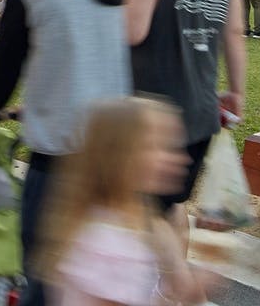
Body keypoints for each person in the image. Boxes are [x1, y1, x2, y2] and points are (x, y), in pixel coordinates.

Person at [0, 0, 130, 306]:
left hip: (60, 148)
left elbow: (5, 62)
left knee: (44, 260)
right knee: (95, 260)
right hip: (111, 145)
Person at [124, 0, 246, 226]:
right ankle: (172, 276)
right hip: (200, 116)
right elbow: (234, 33)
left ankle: (169, 280)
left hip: (151, 117)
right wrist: (237, 92)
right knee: (172, 206)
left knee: (144, 213)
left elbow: (131, 32)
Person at [38, 97, 215, 306]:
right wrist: (174, 293)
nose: (181, 158)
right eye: (160, 147)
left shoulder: (135, 219)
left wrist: (188, 286)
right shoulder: (107, 244)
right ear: (118, 158)